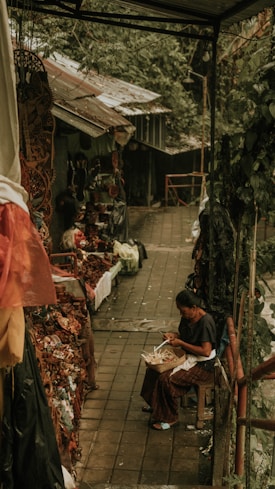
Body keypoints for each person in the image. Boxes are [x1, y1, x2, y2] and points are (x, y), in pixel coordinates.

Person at [140, 289, 216, 431]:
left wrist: (181, 343)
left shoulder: (205, 322)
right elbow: (185, 335)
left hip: (203, 366)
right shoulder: (188, 317)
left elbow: (205, 351)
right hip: (187, 356)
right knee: (153, 371)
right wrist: (174, 335)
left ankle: (170, 418)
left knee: (166, 379)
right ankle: (156, 404)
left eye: (183, 311)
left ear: (194, 308)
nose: (181, 314)